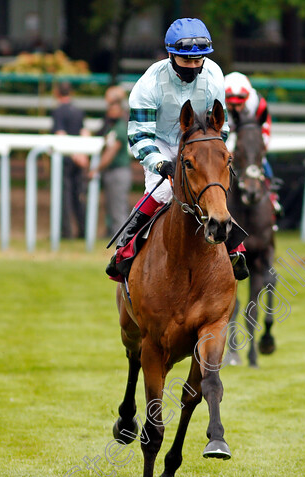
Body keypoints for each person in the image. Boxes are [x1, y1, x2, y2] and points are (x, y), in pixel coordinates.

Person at [106, 18, 248, 281]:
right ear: (171, 54)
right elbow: (139, 136)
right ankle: (124, 247)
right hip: (160, 142)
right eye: (187, 60)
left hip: (198, 141)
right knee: (161, 192)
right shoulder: (147, 85)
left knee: (214, 184)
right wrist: (161, 164)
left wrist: (210, 153)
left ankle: (235, 248)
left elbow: (221, 126)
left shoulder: (214, 74)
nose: (194, 67)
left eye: (198, 61)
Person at [224, 71, 283, 216]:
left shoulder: (258, 103)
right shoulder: (216, 103)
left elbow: (265, 127)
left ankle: (272, 198)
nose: (236, 108)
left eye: (239, 104)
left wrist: (261, 148)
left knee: (260, 161)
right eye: (232, 104)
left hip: (248, 135)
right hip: (226, 133)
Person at [51, 82, 90, 239]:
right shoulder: (78, 111)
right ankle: (83, 231)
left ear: (56, 92)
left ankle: (66, 232)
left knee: (64, 196)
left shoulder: (57, 111)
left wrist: (73, 154)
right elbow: (84, 132)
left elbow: (60, 133)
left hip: (66, 158)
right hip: (79, 157)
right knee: (79, 195)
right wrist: (83, 154)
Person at [97, 86, 132, 238]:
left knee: (118, 209)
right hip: (114, 172)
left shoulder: (119, 127)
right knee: (113, 208)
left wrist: (96, 169)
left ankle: (122, 241)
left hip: (118, 171)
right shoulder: (112, 126)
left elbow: (111, 151)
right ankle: (116, 236)